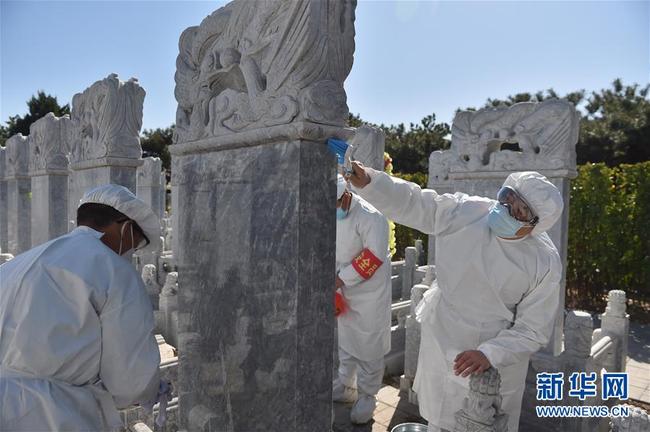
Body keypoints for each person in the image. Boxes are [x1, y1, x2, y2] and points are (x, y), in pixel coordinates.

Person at [346, 163, 563, 432]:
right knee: (437, 415)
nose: (506, 209)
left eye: (519, 211)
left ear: (535, 225)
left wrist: (490, 354)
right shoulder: (469, 211)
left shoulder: (543, 261)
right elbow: (418, 203)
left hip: (492, 351)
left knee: (481, 421)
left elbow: (533, 329)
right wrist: (372, 182)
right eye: (507, 197)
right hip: (443, 329)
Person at [0, 184, 163, 431]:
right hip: (54, 412)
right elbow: (129, 379)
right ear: (126, 226)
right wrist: (150, 389)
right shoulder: (114, 270)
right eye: (136, 242)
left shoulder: (23, 262)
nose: (131, 250)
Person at [333, 174, 392, 424]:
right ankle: (346, 384)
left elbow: (374, 256)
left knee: (369, 345)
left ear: (346, 194)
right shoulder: (332, 210)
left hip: (369, 292)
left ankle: (368, 395)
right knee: (346, 338)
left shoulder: (371, 216)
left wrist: (342, 278)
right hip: (343, 284)